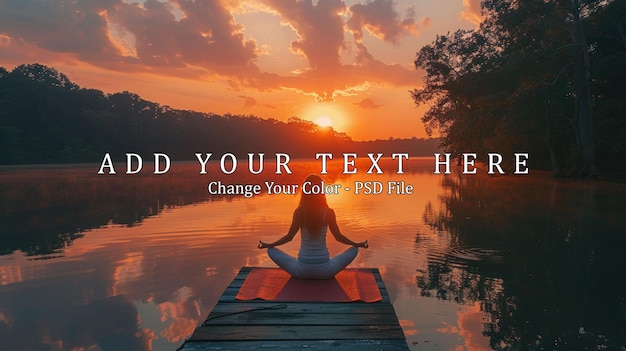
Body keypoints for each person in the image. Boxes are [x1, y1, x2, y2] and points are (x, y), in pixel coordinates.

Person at [258, 174, 368, 279]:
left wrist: (270, 244)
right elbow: (338, 237)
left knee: (270, 251)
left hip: (301, 271)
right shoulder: (328, 212)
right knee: (354, 250)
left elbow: (289, 237)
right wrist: (356, 244)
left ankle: (274, 250)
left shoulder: (299, 212)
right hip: (326, 272)